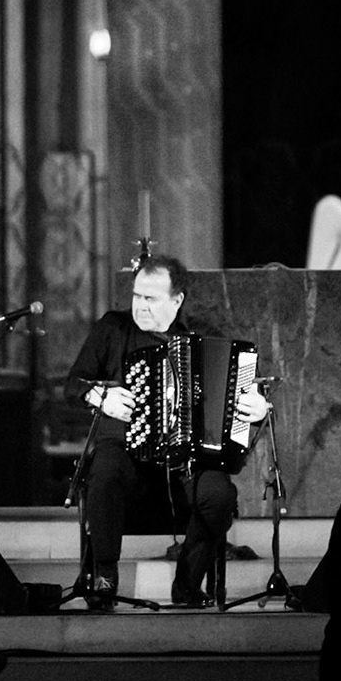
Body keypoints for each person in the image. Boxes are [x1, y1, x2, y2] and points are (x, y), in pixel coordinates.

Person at [66, 255, 272, 609]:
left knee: (218, 495)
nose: (140, 305)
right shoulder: (113, 328)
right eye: (136, 296)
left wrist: (257, 410)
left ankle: (188, 583)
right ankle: (104, 578)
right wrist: (99, 396)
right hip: (126, 451)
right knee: (106, 470)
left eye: (150, 298)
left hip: (182, 460)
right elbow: (72, 384)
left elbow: (237, 400)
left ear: (176, 301)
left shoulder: (198, 341)